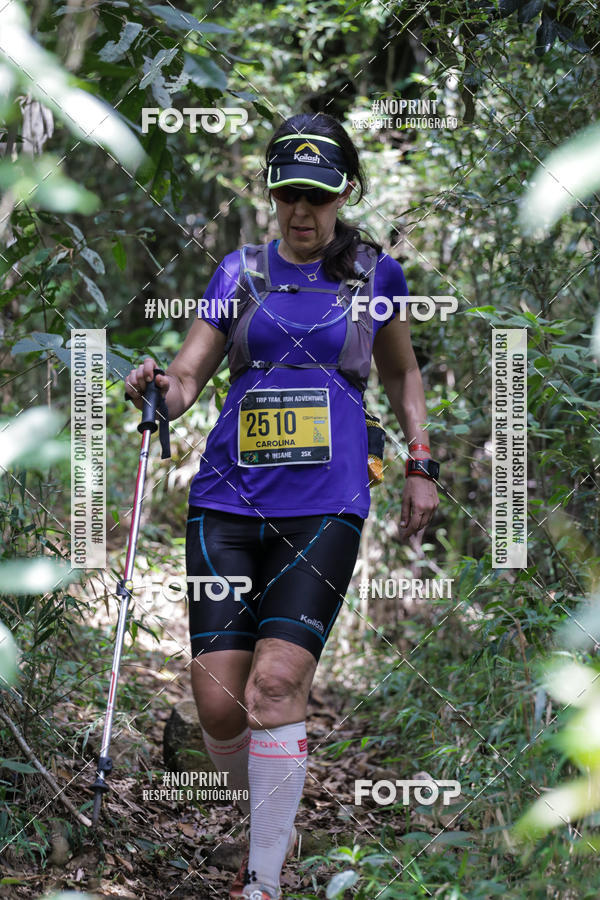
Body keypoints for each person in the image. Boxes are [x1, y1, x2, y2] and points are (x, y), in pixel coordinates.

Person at [125, 112, 439, 900]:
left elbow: (403, 376)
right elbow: (192, 376)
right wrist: (161, 388)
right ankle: (272, 813)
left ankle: (262, 878)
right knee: (220, 705)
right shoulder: (239, 272)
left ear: (344, 194)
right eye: (289, 194)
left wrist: (419, 461)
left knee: (275, 685)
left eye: (320, 196)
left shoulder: (376, 276)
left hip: (326, 504)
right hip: (227, 503)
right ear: (271, 194)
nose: (304, 212)